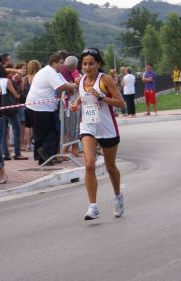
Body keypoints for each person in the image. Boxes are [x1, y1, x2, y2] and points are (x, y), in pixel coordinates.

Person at [70, 48, 125, 220]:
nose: (87, 67)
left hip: (107, 128)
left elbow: (121, 103)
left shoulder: (105, 79)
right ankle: (93, 206)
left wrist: (101, 97)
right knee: (89, 164)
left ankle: (117, 197)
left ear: (98, 64)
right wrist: (76, 103)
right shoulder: (80, 80)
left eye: (91, 64)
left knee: (110, 167)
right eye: (84, 64)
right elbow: (83, 96)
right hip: (88, 127)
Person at [26, 54, 77, 165]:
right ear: (54, 63)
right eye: (61, 62)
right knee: (48, 132)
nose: (63, 65)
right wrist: (76, 85)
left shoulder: (55, 73)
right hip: (40, 107)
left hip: (45, 107)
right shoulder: (49, 72)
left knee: (51, 131)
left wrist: (71, 86)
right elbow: (62, 87)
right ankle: (44, 154)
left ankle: (45, 156)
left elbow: (65, 84)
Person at [21, 60, 42, 152]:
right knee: (37, 125)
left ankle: (28, 144)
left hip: (28, 102)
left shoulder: (26, 78)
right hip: (38, 103)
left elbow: (22, 89)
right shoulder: (39, 77)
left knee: (28, 125)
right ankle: (36, 143)